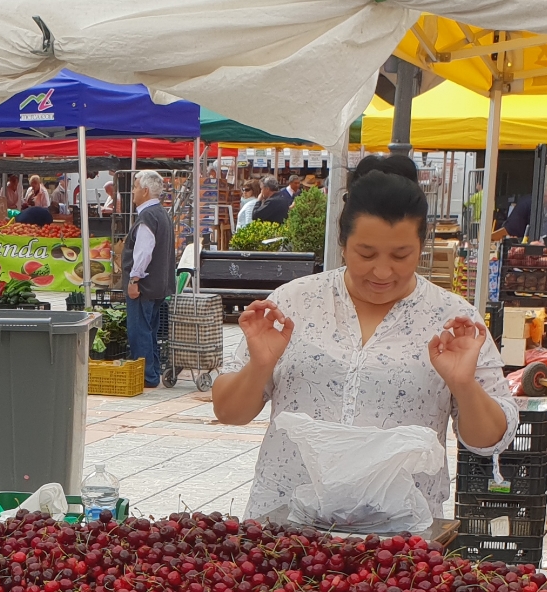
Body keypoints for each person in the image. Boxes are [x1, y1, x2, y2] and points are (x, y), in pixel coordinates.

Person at [209, 153, 516, 522]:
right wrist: (260, 365)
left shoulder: (453, 320)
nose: (382, 272)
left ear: (421, 245)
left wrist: (464, 384)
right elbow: (228, 412)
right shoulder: (293, 303)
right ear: (343, 242)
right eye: (366, 254)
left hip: (396, 539)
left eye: (401, 256)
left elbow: (488, 441)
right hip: (284, 529)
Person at [123, 170, 174, 389]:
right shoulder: (161, 213)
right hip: (158, 285)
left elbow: (143, 253)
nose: (133, 191)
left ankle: (146, 376)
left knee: (140, 331)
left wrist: (134, 280)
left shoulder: (148, 217)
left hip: (144, 285)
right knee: (150, 330)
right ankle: (152, 372)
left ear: (145, 191)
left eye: (135, 187)